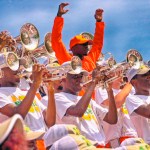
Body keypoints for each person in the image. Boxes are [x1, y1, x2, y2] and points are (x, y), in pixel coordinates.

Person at [54, 67, 117, 147]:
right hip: (82, 147)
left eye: (81, 76)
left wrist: (109, 90)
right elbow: (78, 111)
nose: (80, 79)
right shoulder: (57, 97)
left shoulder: (87, 100)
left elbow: (112, 119)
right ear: (62, 80)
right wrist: (94, 82)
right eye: (75, 77)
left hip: (100, 146)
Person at [0, 63, 56, 149]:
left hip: (42, 143)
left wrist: (50, 90)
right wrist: (36, 83)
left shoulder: (27, 92)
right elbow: (17, 113)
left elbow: (50, 122)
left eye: (18, 65)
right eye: (12, 66)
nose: (18, 68)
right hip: (20, 145)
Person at [51, 2, 105, 72]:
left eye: (87, 44)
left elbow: (98, 44)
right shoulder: (66, 59)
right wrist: (59, 16)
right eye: (84, 44)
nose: (86, 46)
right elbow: (56, 40)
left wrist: (99, 21)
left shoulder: (90, 58)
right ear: (74, 47)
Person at [95, 76, 138, 148]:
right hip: (115, 141)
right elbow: (117, 103)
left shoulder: (128, 90)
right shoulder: (101, 89)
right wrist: (130, 83)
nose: (120, 73)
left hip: (133, 136)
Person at [125, 65, 150, 144]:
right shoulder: (130, 99)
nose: (148, 77)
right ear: (133, 81)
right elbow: (148, 112)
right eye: (144, 75)